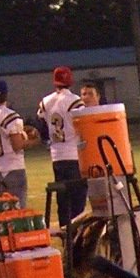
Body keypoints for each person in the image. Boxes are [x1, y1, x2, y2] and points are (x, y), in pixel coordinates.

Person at [38, 66, 86, 227]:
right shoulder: (75, 101)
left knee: (63, 198)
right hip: (73, 153)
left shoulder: (46, 101)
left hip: (56, 155)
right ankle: (76, 233)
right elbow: (82, 124)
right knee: (78, 199)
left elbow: (42, 123)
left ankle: (65, 231)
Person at [0, 79, 36, 209]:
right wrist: (32, 141)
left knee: (3, 212)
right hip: (13, 167)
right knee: (18, 212)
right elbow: (17, 145)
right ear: (6, 94)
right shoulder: (10, 116)